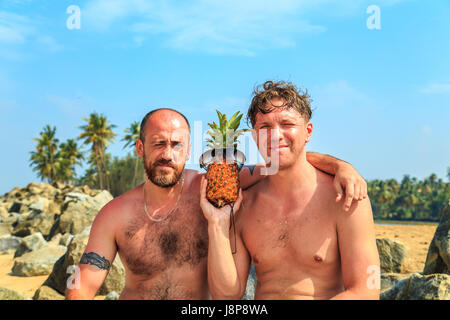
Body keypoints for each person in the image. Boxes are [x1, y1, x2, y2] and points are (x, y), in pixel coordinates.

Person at [66, 107, 369, 300]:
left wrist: (343, 167)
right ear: (140, 148)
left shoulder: (213, 187)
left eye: (176, 145)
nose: (167, 155)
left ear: (188, 151)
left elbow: (282, 161)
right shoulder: (115, 213)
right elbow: (82, 287)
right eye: (158, 143)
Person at [201, 81, 380, 300]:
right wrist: (217, 225)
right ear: (255, 137)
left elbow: (367, 290)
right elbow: (226, 297)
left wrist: (341, 166)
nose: (275, 135)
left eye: (287, 124)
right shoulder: (244, 203)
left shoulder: (346, 197)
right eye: (265, 127)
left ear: (308, 131)